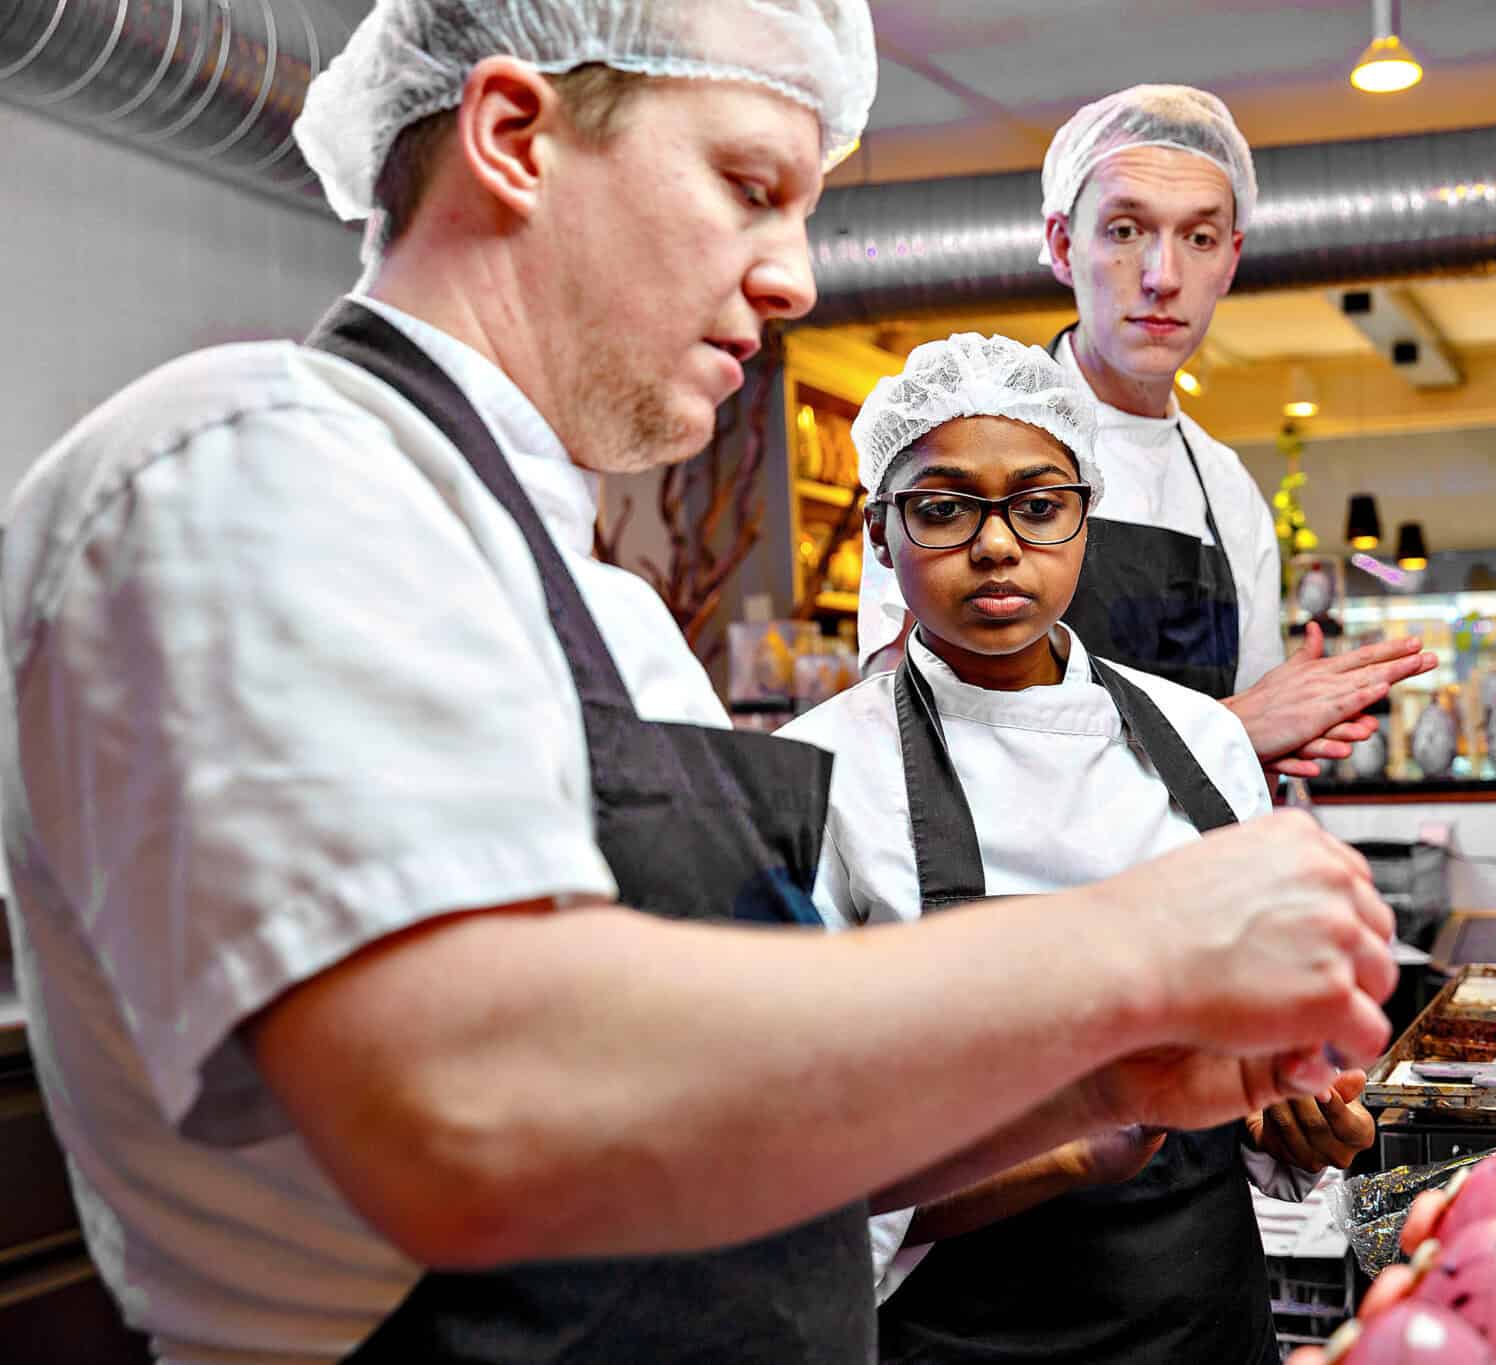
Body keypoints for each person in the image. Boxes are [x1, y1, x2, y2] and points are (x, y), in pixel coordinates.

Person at [0, 4, 1404, 1362]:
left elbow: (748, 1127)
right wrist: (1134, 949)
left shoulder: (611, 620)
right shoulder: (253, 468)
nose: (795, 276)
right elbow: (474, 1105)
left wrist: (1111, 1081)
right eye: (748, 184)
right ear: (512, 136)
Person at [783, 332, 1380, 1365]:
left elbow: (1269, 1049)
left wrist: (1294, 1117)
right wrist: (1057, 1156)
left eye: (1038, 503)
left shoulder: (1202, 743)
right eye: (941, 506)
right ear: (881, 536)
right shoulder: (820, 776)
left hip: (1200, 1317)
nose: (997, 544)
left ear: (1081, 520)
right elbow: (798, 1184)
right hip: (956, 1335)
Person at [857, 84, 1436, 779]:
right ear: (1063, 244)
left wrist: (1280, 735)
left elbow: (1250, 762)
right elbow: (909, 742)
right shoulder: (956, 447)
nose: (1163, 276)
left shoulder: (1227, 491)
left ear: (1231, 259)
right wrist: (1228, 727)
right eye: (1126, 230)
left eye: (1199, 237)